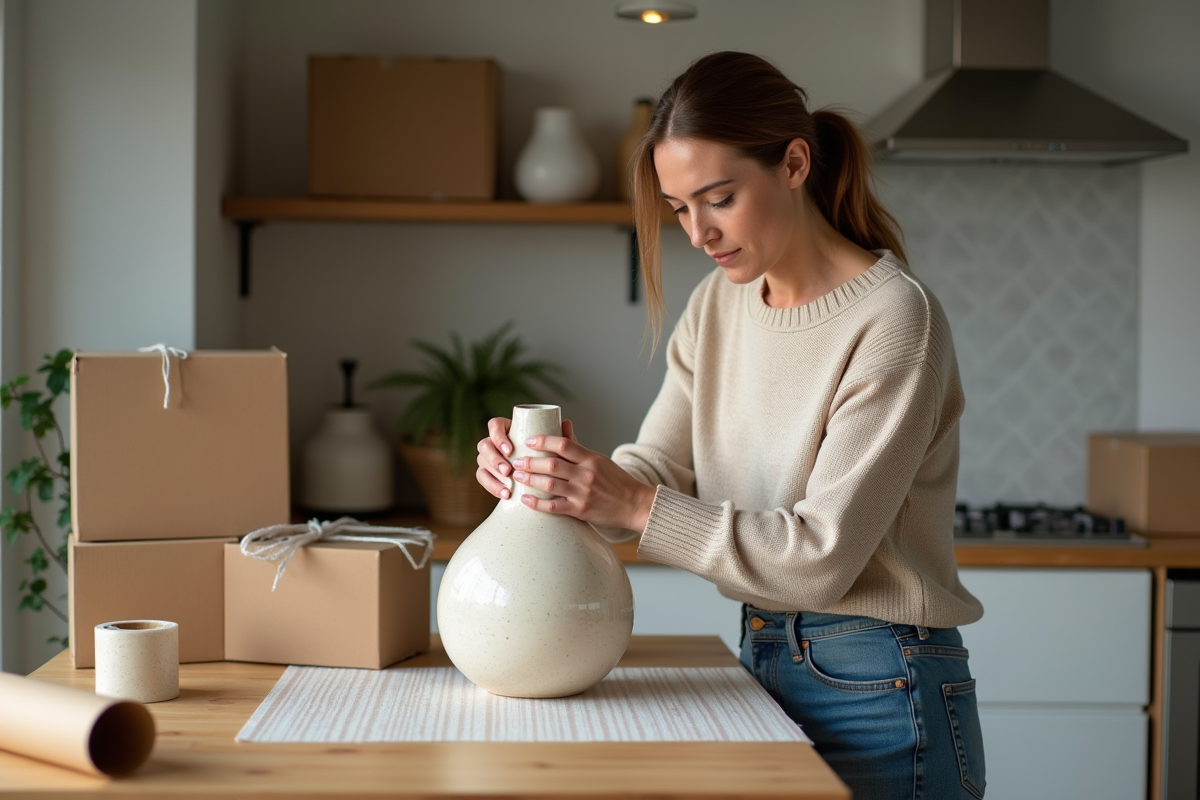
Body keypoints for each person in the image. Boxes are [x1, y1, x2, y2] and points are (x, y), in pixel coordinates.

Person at [476, 51, 986, 800]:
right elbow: (657, 468)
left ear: (794, 163)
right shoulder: (719, 305)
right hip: (764, 654)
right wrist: (554, 480)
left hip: (884, 686)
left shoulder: (894, 319)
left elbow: (818, 559)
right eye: (680, 208)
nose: (698, 233)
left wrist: (626, 502)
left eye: (718, 197)